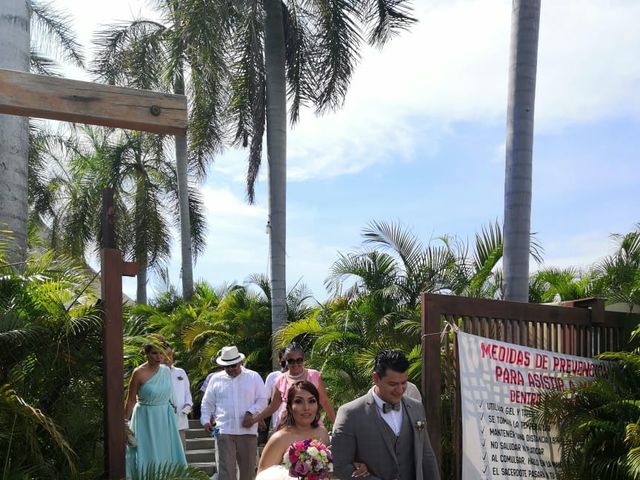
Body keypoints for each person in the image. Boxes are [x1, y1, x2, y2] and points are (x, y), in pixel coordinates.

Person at [332, 349, 440, 480]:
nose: (400, 390)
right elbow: (341, 466)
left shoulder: (416, 408)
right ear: (376, 378)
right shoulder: (350, 413)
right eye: (393, 384)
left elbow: (426, 455)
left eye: (404, 383)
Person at [201, 346, 268, 480]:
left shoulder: (253, 377)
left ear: (240, 362)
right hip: (224, 430)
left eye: (234, 365)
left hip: (247, 432)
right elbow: (207, 402)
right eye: (227, 366)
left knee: (248, 472)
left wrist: (251, 412)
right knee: (226, 472)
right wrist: (206, 420)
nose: (231, 369)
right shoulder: (216, 379)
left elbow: (263, 399)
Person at [124, 343, 187, 478]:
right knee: (148, 453)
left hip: (165, 417)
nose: (158, 357)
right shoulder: (138, 372)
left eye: (161, 353)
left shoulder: (165, 370)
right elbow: (130, 400)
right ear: (146, 354)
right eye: (154, 353)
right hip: (145, 418)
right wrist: (124, 423)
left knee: (166, 453)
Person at [244, 343, 335, 431]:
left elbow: (324, 401)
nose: (295, 364)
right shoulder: (280, 380)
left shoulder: (314, 375)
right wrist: (254, 420)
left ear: (303, 360)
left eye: (299, 360)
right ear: (285, 361)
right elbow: (273, 406)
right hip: (288, 425)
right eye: (291, 361)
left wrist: (335, 424)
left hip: (311, 423)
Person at [164, 344, 193, 450]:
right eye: (164, 355)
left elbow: (187, 392)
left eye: (170, 355)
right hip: (162, 419)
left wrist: (188, 405)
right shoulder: (153, 374)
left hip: (180, 417)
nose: (168, 359)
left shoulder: (180, 372)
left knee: (181, 451)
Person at [263, 348, 287, 433]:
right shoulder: (273, 377)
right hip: (277, 424)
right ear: (279, 360)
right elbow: (265, 399)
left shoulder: (302, 377)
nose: (288, 363)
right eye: (285, 360)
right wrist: (260, 418)